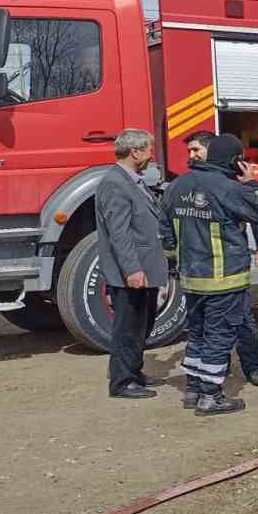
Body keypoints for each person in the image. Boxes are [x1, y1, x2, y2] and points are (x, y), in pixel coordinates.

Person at [160, 133, 258, 415]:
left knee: (197, 335)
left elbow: (165, 234)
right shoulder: (228, 188)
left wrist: (177, 264)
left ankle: (193, 389)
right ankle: (211, 395)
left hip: (191, 279)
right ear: (235, 161)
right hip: (224, 280)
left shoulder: (176, 186)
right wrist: (252, 183)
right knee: (219, 337)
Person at [185, 130, 258, 388]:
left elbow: (256, 215)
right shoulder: (194, 183)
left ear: (210, 151)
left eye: (196, 150)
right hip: (211, 270)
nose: (192, 155)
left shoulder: (229, 184)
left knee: (243, 322)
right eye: (190, 151)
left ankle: (252, 368)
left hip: (226, 268)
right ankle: (208, 386)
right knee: (212, 331)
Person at [96, 128, 167, 400]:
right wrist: (132, 269)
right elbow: (119, 232)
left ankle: (133, 372)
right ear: (135, 151)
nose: (151, 155)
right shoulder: (115, 183)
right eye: (148, 149)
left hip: (143, 268)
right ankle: (122, 381)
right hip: (131, 272)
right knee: (128, 326)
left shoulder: (131, 180)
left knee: (141, 324)